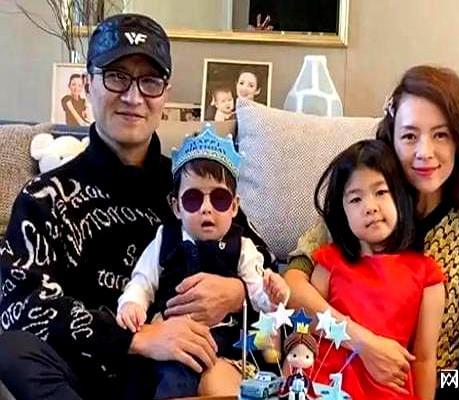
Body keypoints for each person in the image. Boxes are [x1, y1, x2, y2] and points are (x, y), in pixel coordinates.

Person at [0, 13, 273, 400]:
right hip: (83, 379)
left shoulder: (194, 186)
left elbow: (264, 265)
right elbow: (18, 305)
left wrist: (238, 292)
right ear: (88, 83)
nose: (133, 97)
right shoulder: (45, 196)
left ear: (165, 93)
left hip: (183, 374)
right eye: (117, 76)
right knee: (10, 350)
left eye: (150, 81)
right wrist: (139, 337)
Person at [283, 65, 459, 399]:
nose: (425, 152)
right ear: (391, 138)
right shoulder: (363, 207)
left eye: (441, 135)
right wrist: (363, 343)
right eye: (409, 136)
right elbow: (294, 284)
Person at [116, 127, 289, 398]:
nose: (206, 208)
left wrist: (273, 294)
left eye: (219, 199)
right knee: (169, 385)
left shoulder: (243, 247)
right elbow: (143, 280)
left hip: (227, 346)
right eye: (193, 199)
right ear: (176, 207)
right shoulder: (166, 238)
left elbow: (258, 293)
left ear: (234, 206)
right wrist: (132, 304)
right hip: (175, 345)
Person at [309, 139, 445, 399]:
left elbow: (425, 359)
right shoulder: (329, 261)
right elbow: (308, 324)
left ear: (401, 196)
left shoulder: (427, 275)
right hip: (324, 388)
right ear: (342, 212)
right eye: (355, 199)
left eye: (381, 192)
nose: (370, 207)